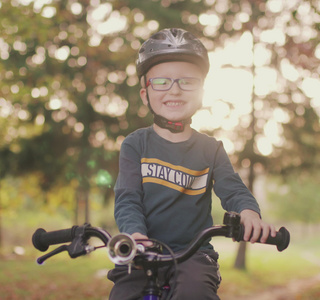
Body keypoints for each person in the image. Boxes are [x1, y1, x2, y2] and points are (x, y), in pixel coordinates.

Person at [107, 28, 276, 300]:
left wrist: (248, 212)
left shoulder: (211, 149)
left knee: (194, 292)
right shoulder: (135, 145)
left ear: (201, 91)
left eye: (188, 81)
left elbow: (233, 190)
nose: (174, 89)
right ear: (144, 93)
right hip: (142, 252)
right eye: (161, 82)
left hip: (193, 256)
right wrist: (135, 234)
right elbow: (128, 198)